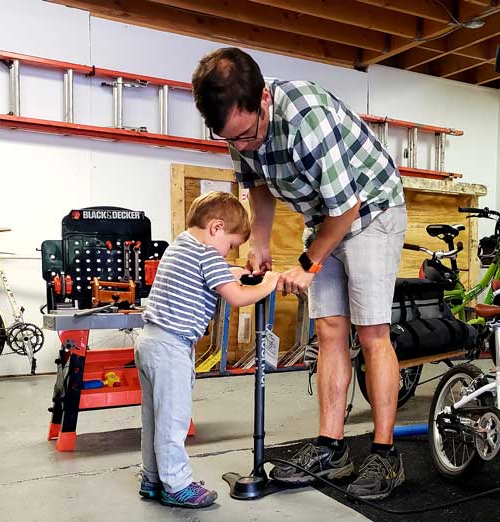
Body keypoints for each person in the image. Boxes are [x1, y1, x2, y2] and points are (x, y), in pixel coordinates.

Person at [192, 47, 407, 500]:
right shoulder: (236, 126)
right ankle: (333, 447)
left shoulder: (306, 118)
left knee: (371, 332)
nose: (243, 146)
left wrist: (309, 263)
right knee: (329, 329)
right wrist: (261, 244)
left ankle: (386, 454)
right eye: (232, 140)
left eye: (247, 135)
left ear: (263, 99)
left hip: (371, 211)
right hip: (324, 217)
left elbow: (347, 207)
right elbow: (257, 186)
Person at [136, 191, 281, 508]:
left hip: (149, 341)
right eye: (231, 245)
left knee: (154, 419)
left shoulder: (182, 247)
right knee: (173, 423)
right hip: (172, 347)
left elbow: (215, 274)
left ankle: (152, 479)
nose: (228, 252)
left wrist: (234, 271)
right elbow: (238, 297)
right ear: (216, 227)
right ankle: (176, 485)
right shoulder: (207, 256)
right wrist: (270, 283)